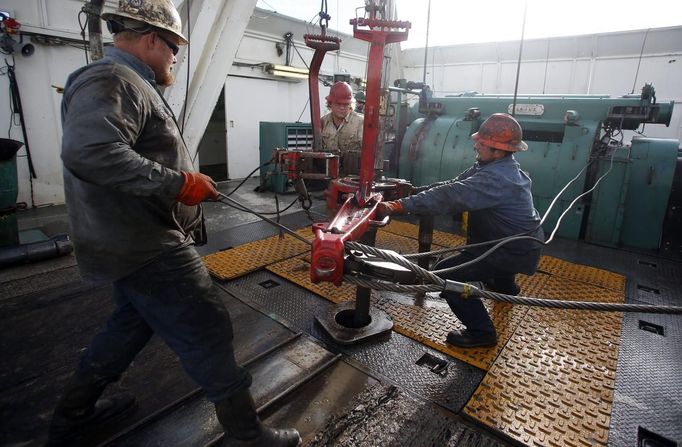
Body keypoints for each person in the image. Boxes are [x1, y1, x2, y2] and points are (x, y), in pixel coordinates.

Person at [48, 1, 300, 446]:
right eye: (172, 48)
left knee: (129, 325)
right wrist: (180, 183)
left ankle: (73, 412)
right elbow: (91, 152)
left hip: (128, 241)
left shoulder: (128, 82)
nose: (174, 58)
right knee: (207, 326)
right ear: (150, 39)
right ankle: (248, 435)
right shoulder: (113, 79)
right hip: (148, 244)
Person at [376, 113, 544, 348]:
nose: (475, 144)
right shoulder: (494, 167)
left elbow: (449, 197)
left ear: (498, 150)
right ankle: (506, 287)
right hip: (519, 242)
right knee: (496, 264)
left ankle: (481, 333)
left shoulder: (495, 178)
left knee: (445, 274)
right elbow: (453, 186)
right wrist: (413, 192)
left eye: (482, 143)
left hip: (510, 250)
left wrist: (398, 207)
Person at [320, 81, 364, 175]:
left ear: (350, 104)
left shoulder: (360, 123)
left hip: (354, 178)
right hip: (328, 176)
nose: (342, 108)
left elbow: (369, 154)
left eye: (345, 104)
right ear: (330, 104)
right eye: (338, 104)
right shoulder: (323, 122)